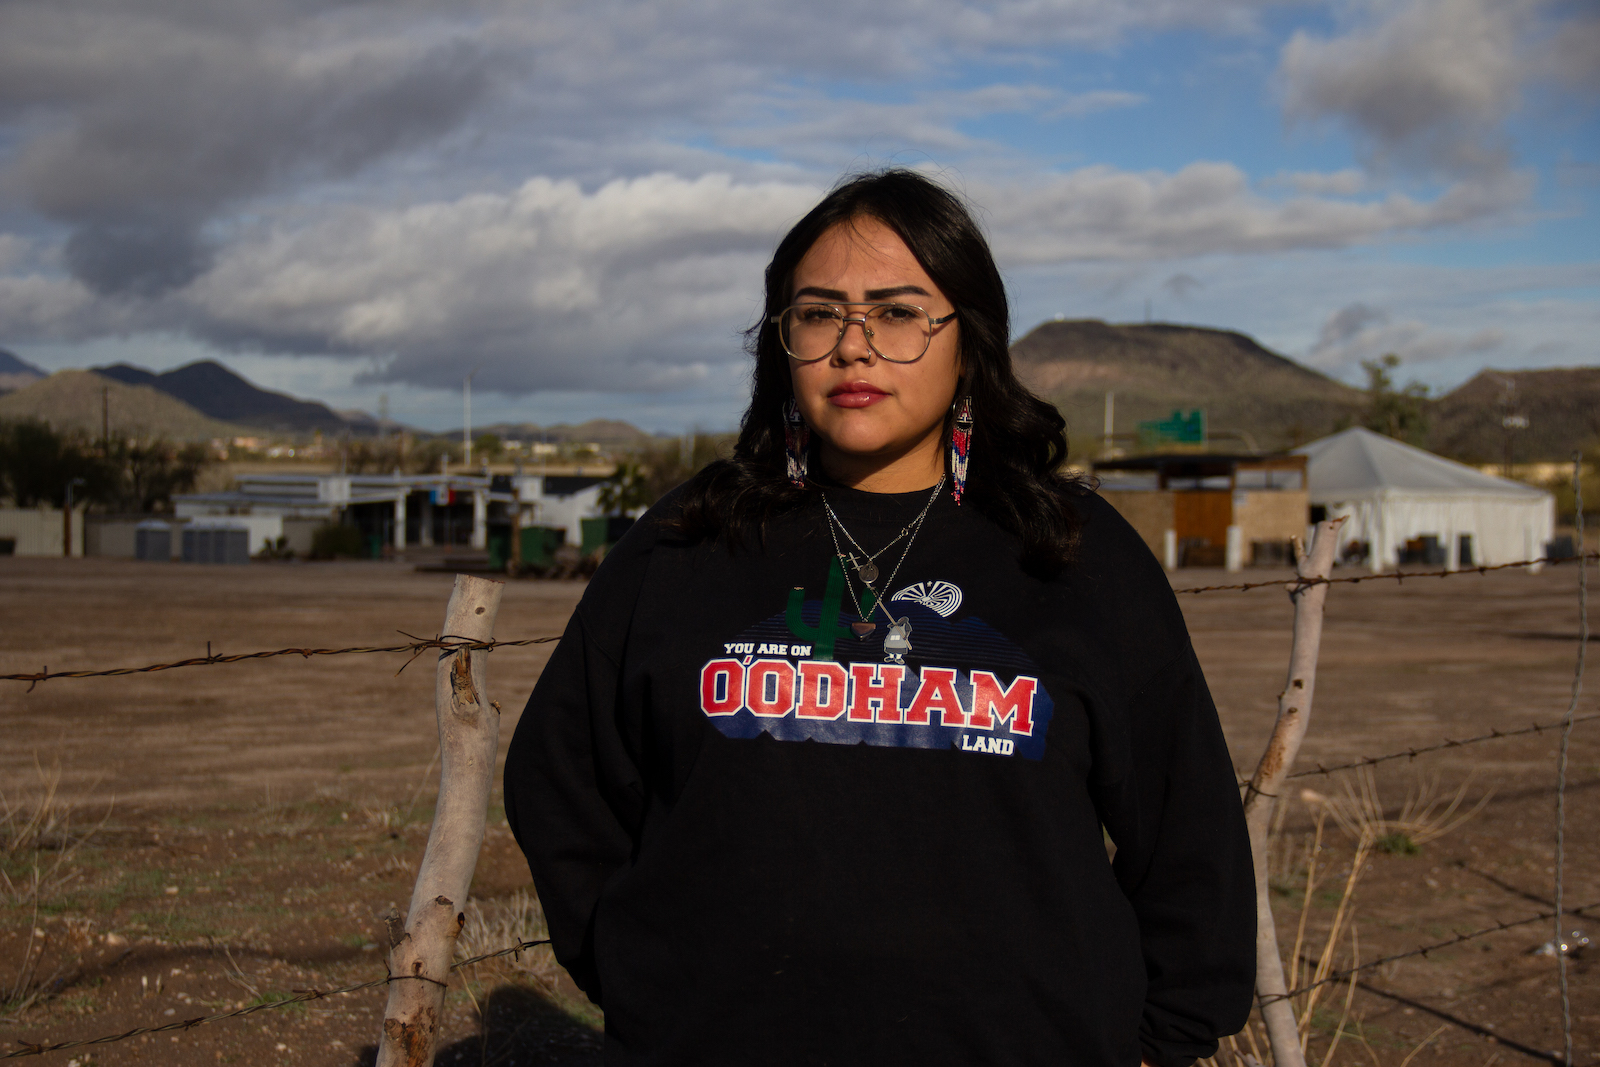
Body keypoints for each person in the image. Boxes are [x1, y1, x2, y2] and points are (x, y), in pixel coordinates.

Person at [504, 169, 1255, 1067]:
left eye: (898, 313)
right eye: (819, 314)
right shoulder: (690, 542)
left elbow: (1188, 827)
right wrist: (645, 970)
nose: (853, 348)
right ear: (782, 342)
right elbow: (561, 777)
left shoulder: (1071, 553)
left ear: (968, 340)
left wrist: (1164, 1035)